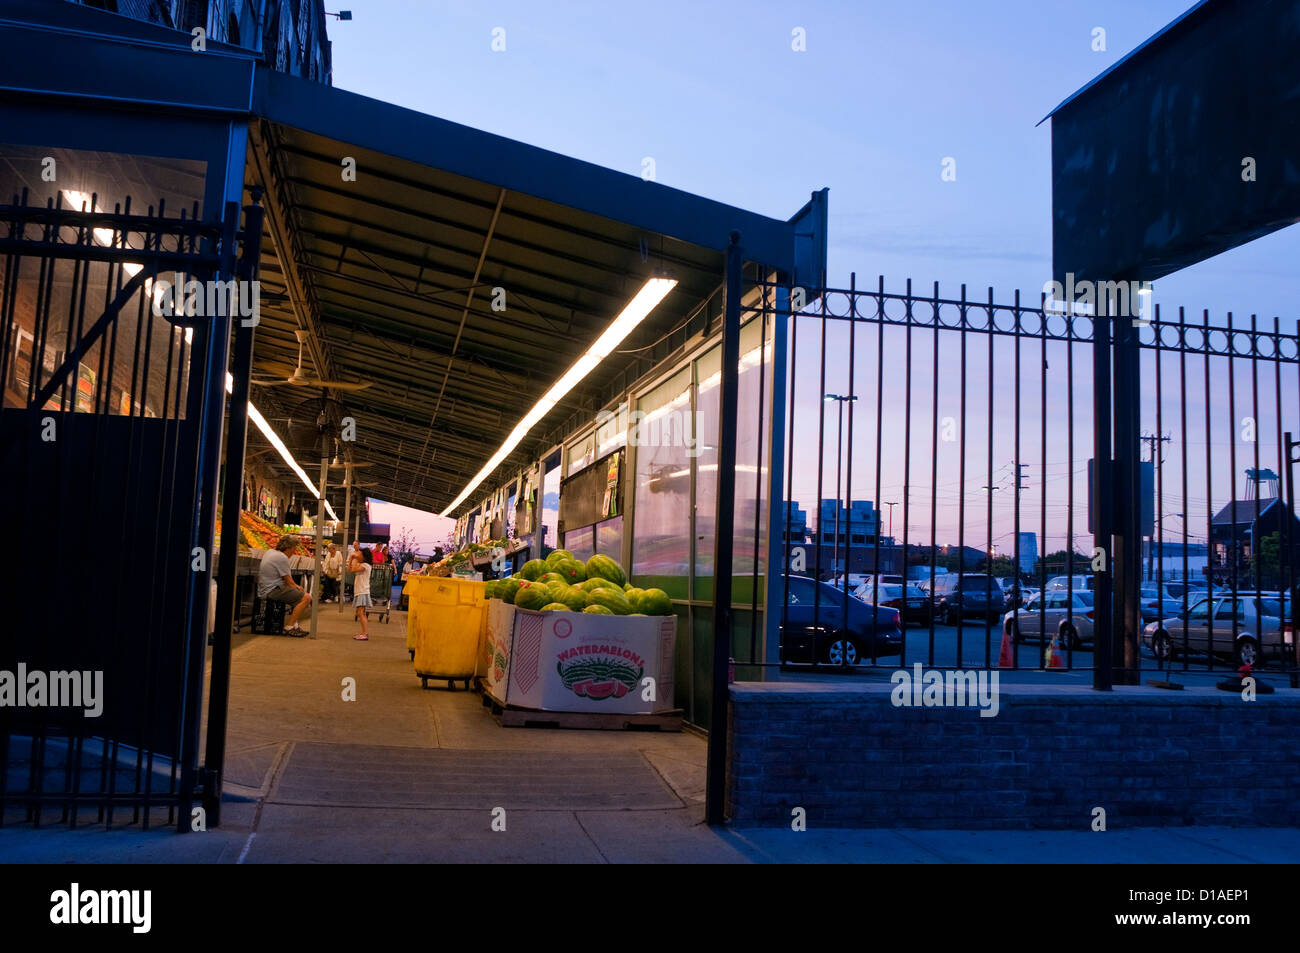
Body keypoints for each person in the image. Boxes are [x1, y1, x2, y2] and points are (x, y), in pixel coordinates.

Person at [258, 536, 311, 636]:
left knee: (297, 597)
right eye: (294, 548)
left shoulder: (270, 552)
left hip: (265, 588)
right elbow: (289, 582)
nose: (294, 551)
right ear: (289, 548)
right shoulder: (282, 557)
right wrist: (299, 588)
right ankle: (289, 627)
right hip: (272, 590)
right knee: (306, 598)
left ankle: (295, 626)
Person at [349, 546, 373, 641]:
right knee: (360, 612)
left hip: (362, 590)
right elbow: (349, 569)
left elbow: (354, 569)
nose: (357, 554)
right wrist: (352, 559)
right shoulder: (362, 564)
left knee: (360, 613)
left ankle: (365, 633)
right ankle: (364, 633)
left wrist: (354, 558)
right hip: (359, 590)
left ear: (364, 556)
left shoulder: (366, 565)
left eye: (360, 553)